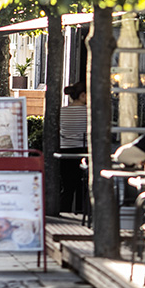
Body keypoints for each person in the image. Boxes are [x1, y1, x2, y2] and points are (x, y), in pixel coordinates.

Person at [59, 81, 87, 214]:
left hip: (65, 151)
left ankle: (64, 213)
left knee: (68, 188)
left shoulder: (62, 112)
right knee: (83, 187)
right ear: (82, 95)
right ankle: (81, 214)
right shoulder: (89, 113)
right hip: (83, 151)